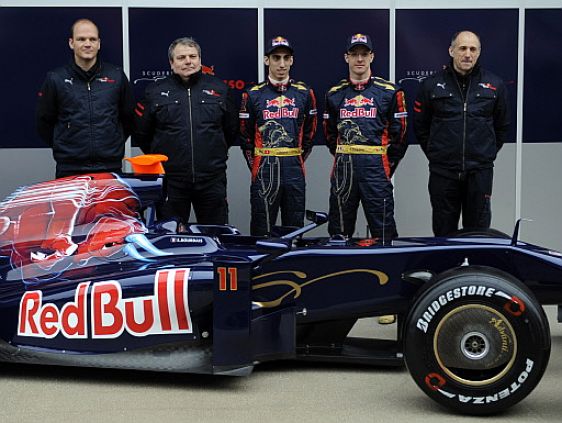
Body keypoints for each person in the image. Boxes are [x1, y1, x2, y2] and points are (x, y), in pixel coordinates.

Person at [414, 30, 510, 236]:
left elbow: (502, 127)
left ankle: (475, 270)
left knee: (478, 234)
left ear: (479, 53)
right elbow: (421, 127)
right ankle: (447, 269)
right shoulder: (431, 85)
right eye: (462, 48)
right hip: (443, 174)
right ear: (451, 51)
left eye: (473, 49)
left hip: (479, 174)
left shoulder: (495, 85)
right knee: (443, 233)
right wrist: (436, 154)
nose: (468, 54)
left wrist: (485, 154)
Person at [133, 37, 238, 226]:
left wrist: (213, 154)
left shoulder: (220, 89)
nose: (188, 61)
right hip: (171, 181)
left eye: (193, 56)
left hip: (211, 180)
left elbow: (230, 130)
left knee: (215, 236)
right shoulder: (155, 91)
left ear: (200, 60)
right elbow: (142, 134)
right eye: (181, 57)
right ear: (172, 63)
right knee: (170, 238)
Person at [324, 33, 408, 241]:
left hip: (376, 169)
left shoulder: (389, 92)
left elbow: (401, 136)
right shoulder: (334, 94)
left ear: (372, 56)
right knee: (339, 231)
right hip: (345, 170)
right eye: (354, 54)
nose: (359, 59)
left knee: (384, 230)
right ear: (347, 58)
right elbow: (329, 135)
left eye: (364, 54)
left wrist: (385, 165)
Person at [36, 18, 135, 179]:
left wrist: (112, 144)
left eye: (92, 39)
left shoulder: (116, 76)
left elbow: (128, 118)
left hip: (109, 167)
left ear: (99, 43)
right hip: (69, 169)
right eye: (81, 39)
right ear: (71, 43)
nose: (87, 44)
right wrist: (66, 147)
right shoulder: (56, 78)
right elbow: (44, 122)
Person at [239, 36, 317, 236]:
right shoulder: (253, 94)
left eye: (286, 58)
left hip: (294, 169)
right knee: (261, 228)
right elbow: (245, 137)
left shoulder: (305, 93)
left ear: (292, 60)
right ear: (267, 60)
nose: (281, 64)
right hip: (264, 167)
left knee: (294, 229)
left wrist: (295, 158)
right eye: (276, 58)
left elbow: (310, 133)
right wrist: (258, 163)